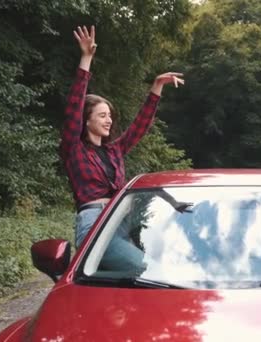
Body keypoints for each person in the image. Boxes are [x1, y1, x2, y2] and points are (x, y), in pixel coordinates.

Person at [59, 25, 185, 250]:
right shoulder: (74, 148)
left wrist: (156, 87)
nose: (109, 120)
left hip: (121, 220)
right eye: (102, 115)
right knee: (136, 266)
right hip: (93, 221)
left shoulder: (113, 150)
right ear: (86, 120)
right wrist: (86, 59)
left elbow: (139, 127)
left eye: (109, 115)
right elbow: (75, 103)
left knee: (146, 265)